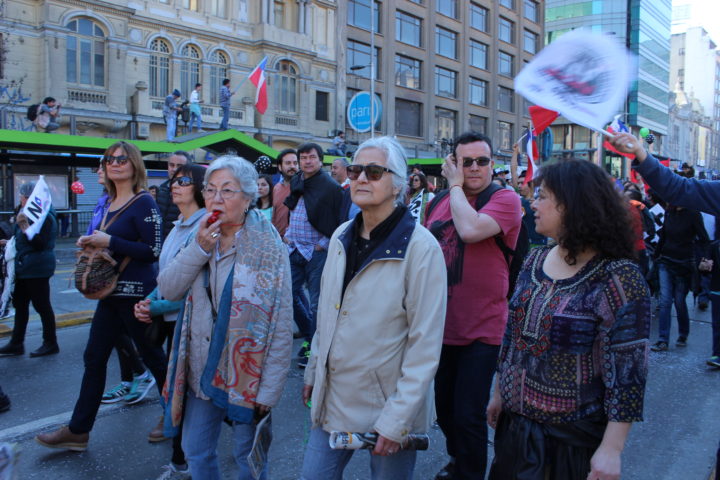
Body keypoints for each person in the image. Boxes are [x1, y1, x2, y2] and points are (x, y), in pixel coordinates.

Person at [487, 159, 651, 480]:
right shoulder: (534, 259)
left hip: (571, 445)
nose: (533, 203)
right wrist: (498, 392)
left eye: (543, 196)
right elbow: (512, 336)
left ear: (573, 205)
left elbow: (629, 373)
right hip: (516, 433)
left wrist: (611, 449)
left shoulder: (617, 277)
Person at [300, 136, 447, 480]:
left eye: (374, 171)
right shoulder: (339, 237)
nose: (361, 178)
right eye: (354, 170)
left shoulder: (422, 249)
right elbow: (327, 314)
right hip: (333, 395)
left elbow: (425, 346)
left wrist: (397, 421)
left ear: (398, 184)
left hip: (390, 405)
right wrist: (313, 372)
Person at [158, 155, 293, 480]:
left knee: (247, 458)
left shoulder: (269, 247)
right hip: (201, 368)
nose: (216, 198)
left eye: (227, 191)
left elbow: (281, 323)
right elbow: (168, 288)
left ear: (248, 198)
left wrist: (269, 391)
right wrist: (200, 248)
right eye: (211, 190)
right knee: (195, 450)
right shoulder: (200, 235)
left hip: (246, 376)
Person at [35, 141, 166, 452]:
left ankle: (179, 416)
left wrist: (110, 240)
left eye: (122, 159)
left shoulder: (144, 203)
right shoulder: (107, 202)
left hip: (136, 296)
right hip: (109, 294)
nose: (115, 163)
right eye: (109, 159)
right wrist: (92, 242)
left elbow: (153, 251)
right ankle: (78, 431)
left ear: (135, 165)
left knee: (154, 360)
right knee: (94, 359)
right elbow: (111, 242)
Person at [424, 131, 522, 480]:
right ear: (455, 162)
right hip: (440, 325)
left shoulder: (505, 198)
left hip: (483, 327)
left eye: (482, 161)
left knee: (468, 413)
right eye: (467, 162)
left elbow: (469, 230)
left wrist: (453, 186)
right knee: (446, 410)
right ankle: (459, 460)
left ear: (492, 164)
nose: (475, 168)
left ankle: (470, 473)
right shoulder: (434, 202)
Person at [134, 163, 207, 479]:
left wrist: (155, 305)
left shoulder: (204, 226)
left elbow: (193, 285)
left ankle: (184, 460)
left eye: (184, 181)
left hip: (188, 321)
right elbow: (167, 276)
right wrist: (150, 299)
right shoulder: (178, 225)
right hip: (168, 316)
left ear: (200, 188)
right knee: (179, 390)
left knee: (187, 392)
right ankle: (183, 456)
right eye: (173, 181)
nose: (174, 185)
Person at [284, 143, 344, 367]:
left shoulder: (330, 186)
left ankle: (318, 349)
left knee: (317, 303)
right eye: (303, 157)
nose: (307, 161)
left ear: (320, 160)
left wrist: (324, 243)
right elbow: (295, 207)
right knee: (286, 294)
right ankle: (310, 336)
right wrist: (289, 234)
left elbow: (340, 217)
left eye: (311, 157)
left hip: (316, 252)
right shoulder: (298, 180)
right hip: (295, 247)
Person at [0, 183, 58, 357]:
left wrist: (24, 226)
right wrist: (9, 242)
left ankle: (50, 342)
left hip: (37, 267)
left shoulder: (45, 216)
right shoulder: (30, 213)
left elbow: (39, 243)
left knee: (42, 306)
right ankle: (16, 343)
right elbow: (24, 240)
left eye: (23, 196)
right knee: (20, 304)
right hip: (25, 267)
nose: (21, 199)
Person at [650, 203, 708, 352]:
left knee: (680, 301)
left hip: (684, 264)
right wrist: (656, 255)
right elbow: (664, 236)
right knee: (665, 301)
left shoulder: (694, 213)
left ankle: (683, 333)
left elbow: (704, 238)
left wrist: (705, 259)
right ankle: (663, 340)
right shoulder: (669, 212)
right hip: (666, 262)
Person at [156, 151, 191, 240]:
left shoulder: (191, 193)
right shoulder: (161, 189)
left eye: (179, 166)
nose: (174, 169)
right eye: (171, 165)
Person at [271, 148, 298, 237]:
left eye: (295, 163)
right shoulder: (276, 188)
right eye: (288, 163)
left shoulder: (305, 187)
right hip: (277, 239)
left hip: (296, 242)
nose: (292, 166)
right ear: (280, 167)